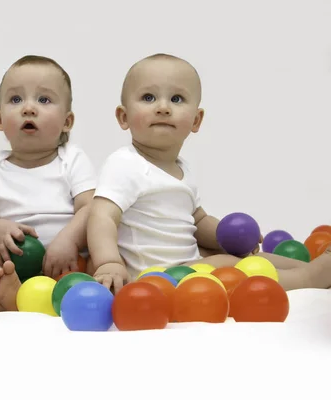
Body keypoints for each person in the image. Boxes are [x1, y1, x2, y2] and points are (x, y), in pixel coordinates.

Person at [87, 53, 331, 294]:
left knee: (249, 257)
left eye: (177, 98)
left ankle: (311, 268)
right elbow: (102, 217)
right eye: (148, 97)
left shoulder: (182, 169)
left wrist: (232, 239)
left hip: (186, 264)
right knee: (229, 267)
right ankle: (309, 278)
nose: (163, 107)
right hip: (155, 275)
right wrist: (108, 262)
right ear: (123, 116)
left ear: (196, 120)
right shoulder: (124, 164)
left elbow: (198, 220)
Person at [0, 55, 97, 311]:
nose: (28, 108)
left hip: (69, 266)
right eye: (15, 99)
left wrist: (68, 241)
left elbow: (91, 208)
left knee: (100, 268)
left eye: (43, 100)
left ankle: (35, 299)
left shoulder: (72, 159)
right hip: (15, 268)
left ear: (66, 122)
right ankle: (13, 293)